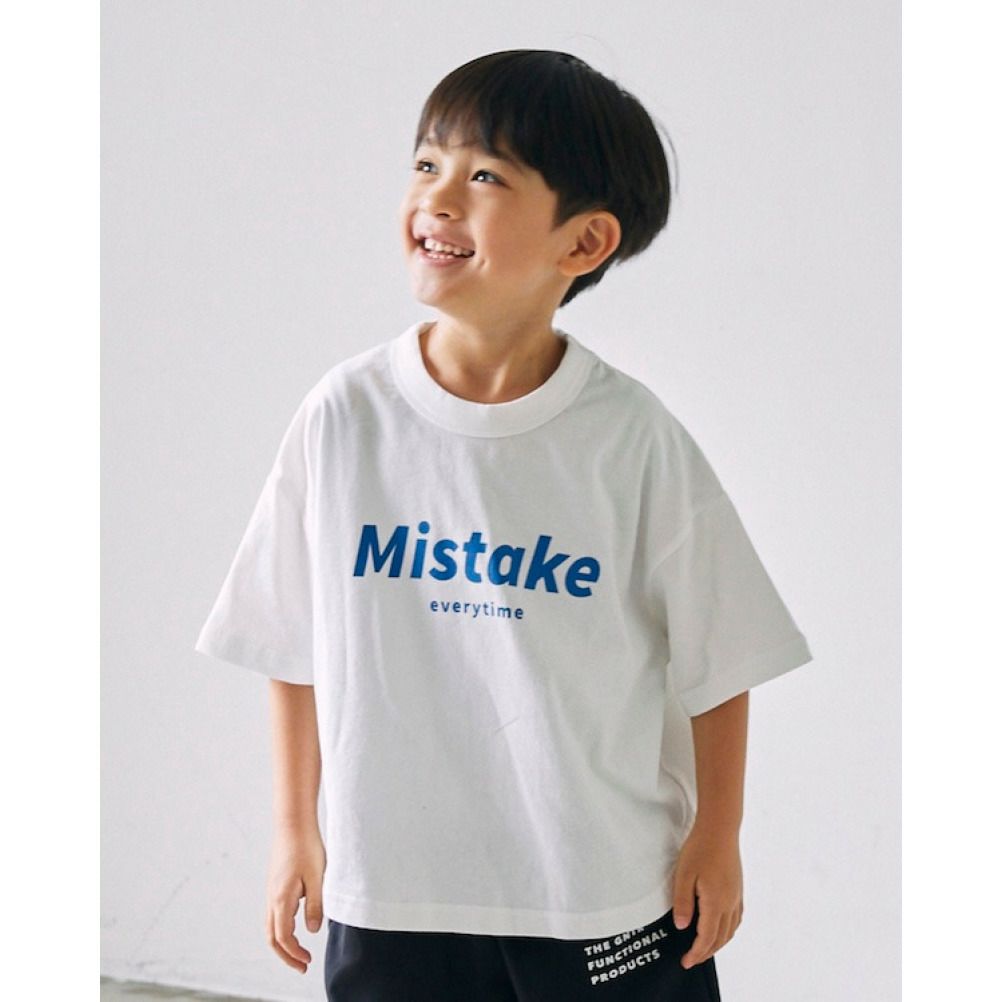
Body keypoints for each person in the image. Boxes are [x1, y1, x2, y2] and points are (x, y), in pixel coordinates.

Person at [195, 48, 813, 1002]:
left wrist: (717, 836)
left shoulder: (630, 439)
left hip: (599, 892)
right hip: (393, 888)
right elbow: (288, 639)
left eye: (485, 177)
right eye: (426, 164)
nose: (438, 198)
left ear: (585, 241)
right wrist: (293, 830)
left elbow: (721, 658)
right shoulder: (346, 417)